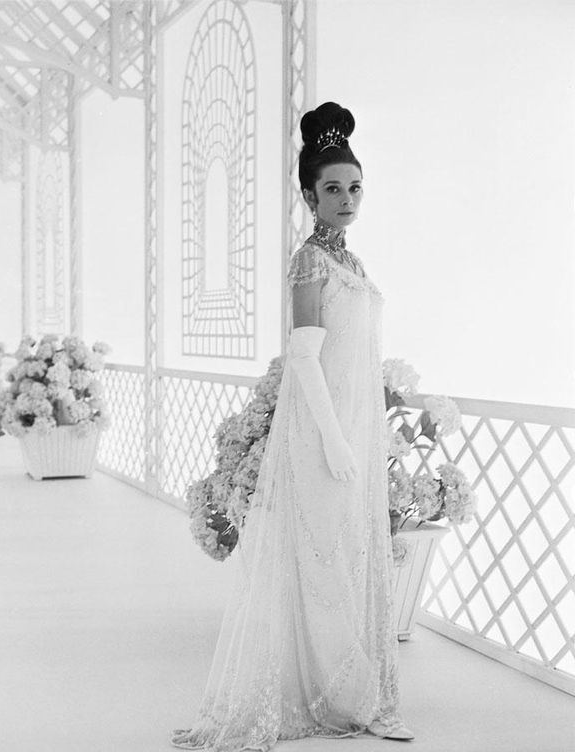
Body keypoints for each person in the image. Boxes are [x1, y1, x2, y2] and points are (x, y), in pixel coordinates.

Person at [171, 102, 414, 751]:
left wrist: (367, 433)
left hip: (356, 428)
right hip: (322, 430)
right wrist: (333, 439)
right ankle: (331, 694)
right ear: (309, 194)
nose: (346, 198)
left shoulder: (353, 266)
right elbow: (304, 355)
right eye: (332, 188)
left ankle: (354, 690)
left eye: (355, 187)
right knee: (324, 560)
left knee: (354, 556)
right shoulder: (310, 261)